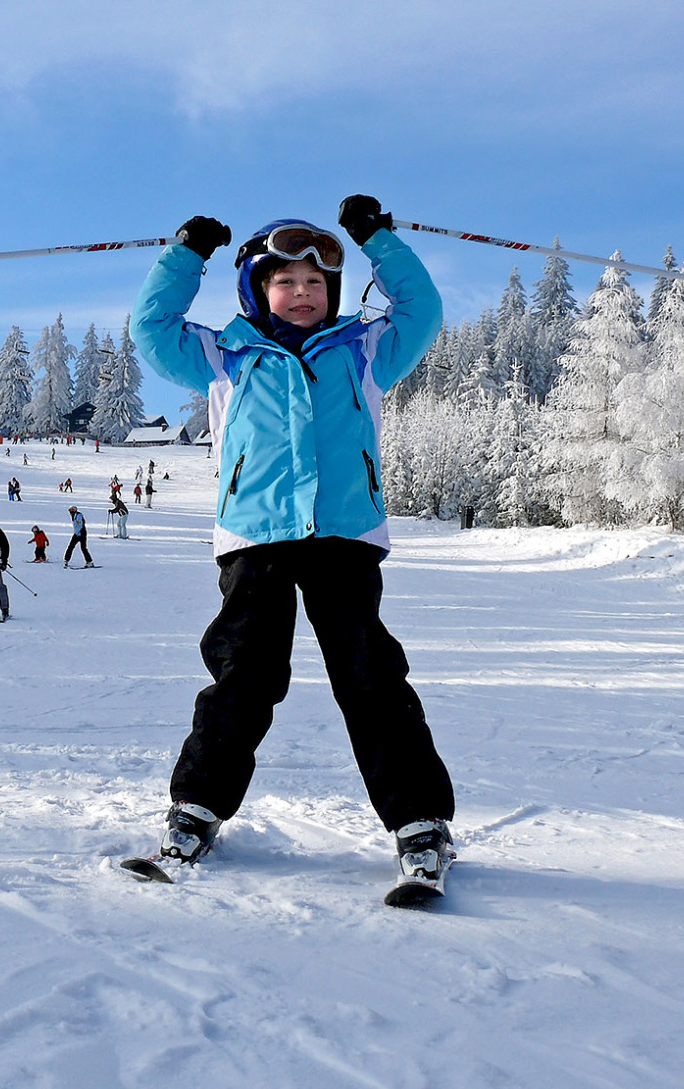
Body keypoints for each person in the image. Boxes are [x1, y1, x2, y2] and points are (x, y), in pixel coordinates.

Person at [128, 200, 455, 891]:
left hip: (344, 535)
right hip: (255, 538)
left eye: (314, 284)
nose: (301, 294)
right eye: (285, 282)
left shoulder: (366, 350)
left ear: (331, 292)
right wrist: (186, 254)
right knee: (243, 676)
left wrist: (379, 240)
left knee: (370, 678)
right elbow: (151, 330)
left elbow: (421, 310)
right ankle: (196, 809)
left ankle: (419, 820)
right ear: (257, 289)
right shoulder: (224, 356)